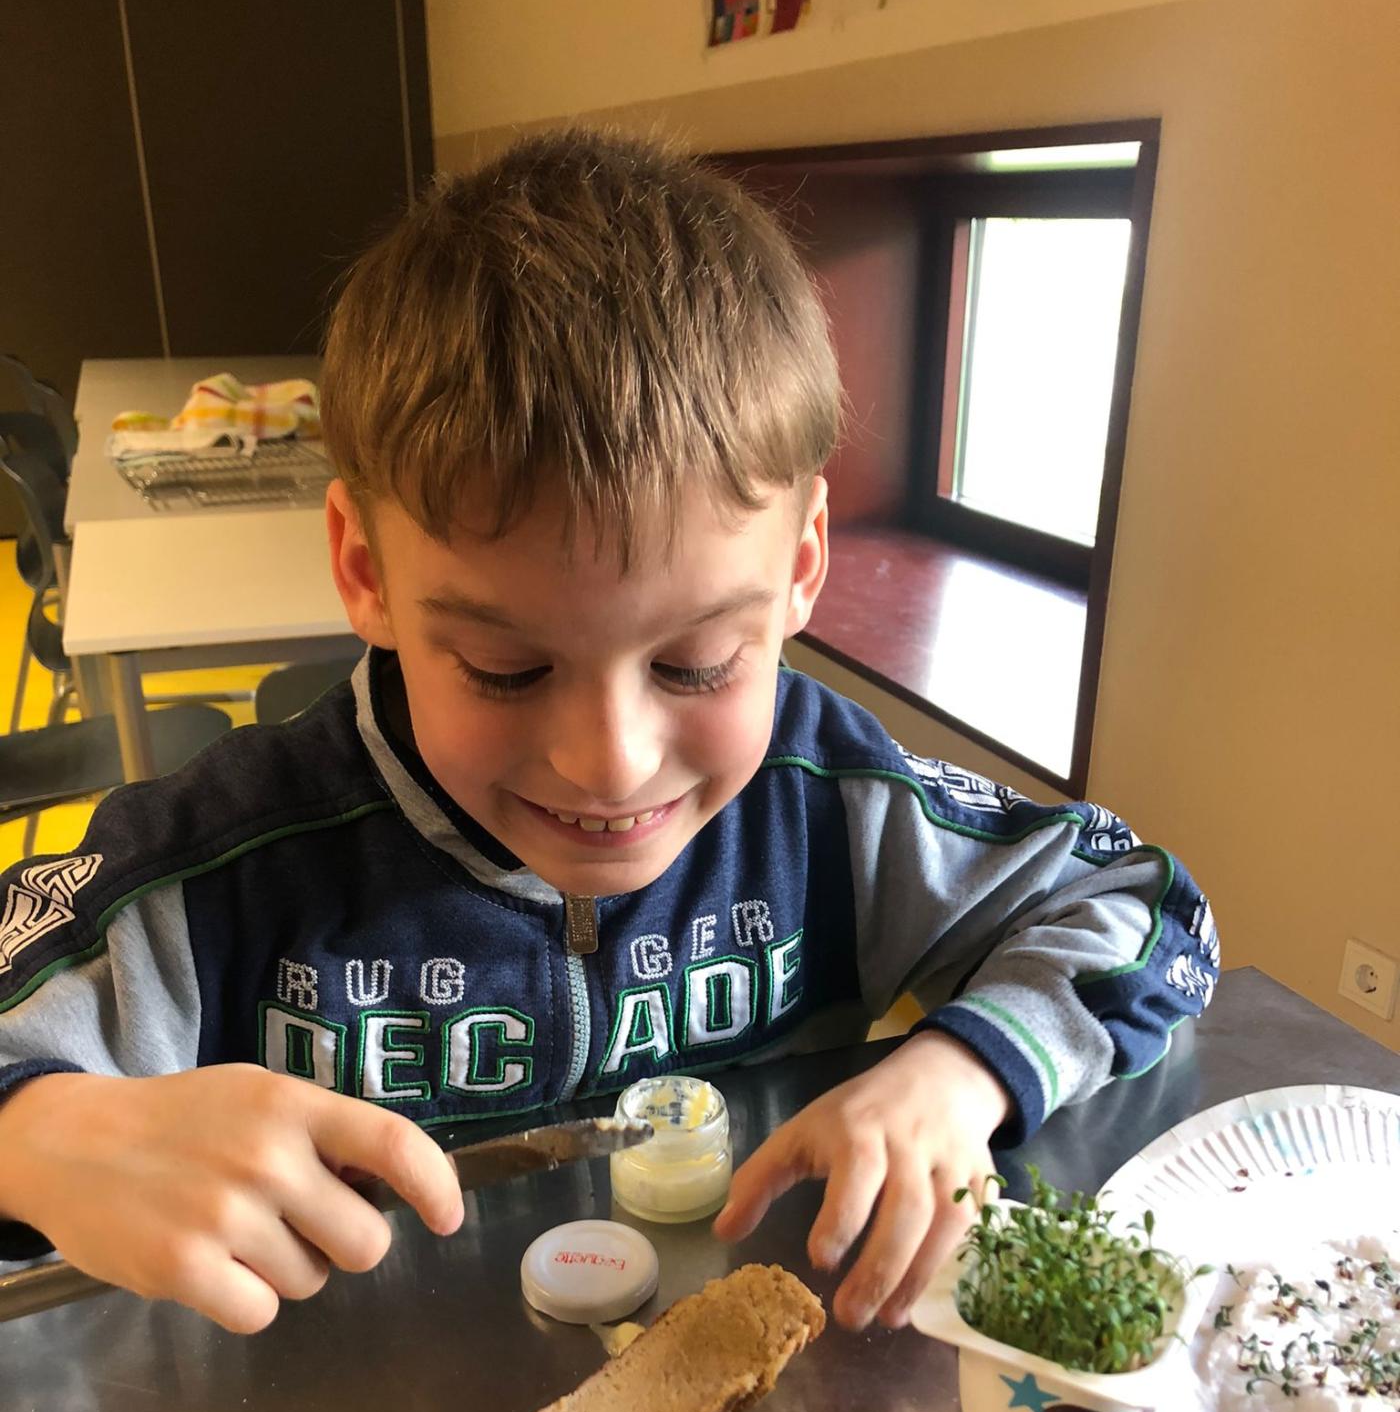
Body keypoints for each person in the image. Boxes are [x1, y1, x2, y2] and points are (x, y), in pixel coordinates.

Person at [0, 130, 1219, 1337]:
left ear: (798, 569)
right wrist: (42, 1135)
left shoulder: (831, 802)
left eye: (697, 662)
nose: (611, 763)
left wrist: (961, 1072)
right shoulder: (214, 874)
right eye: (505, 666)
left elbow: (1146, 905)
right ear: (362, 569)